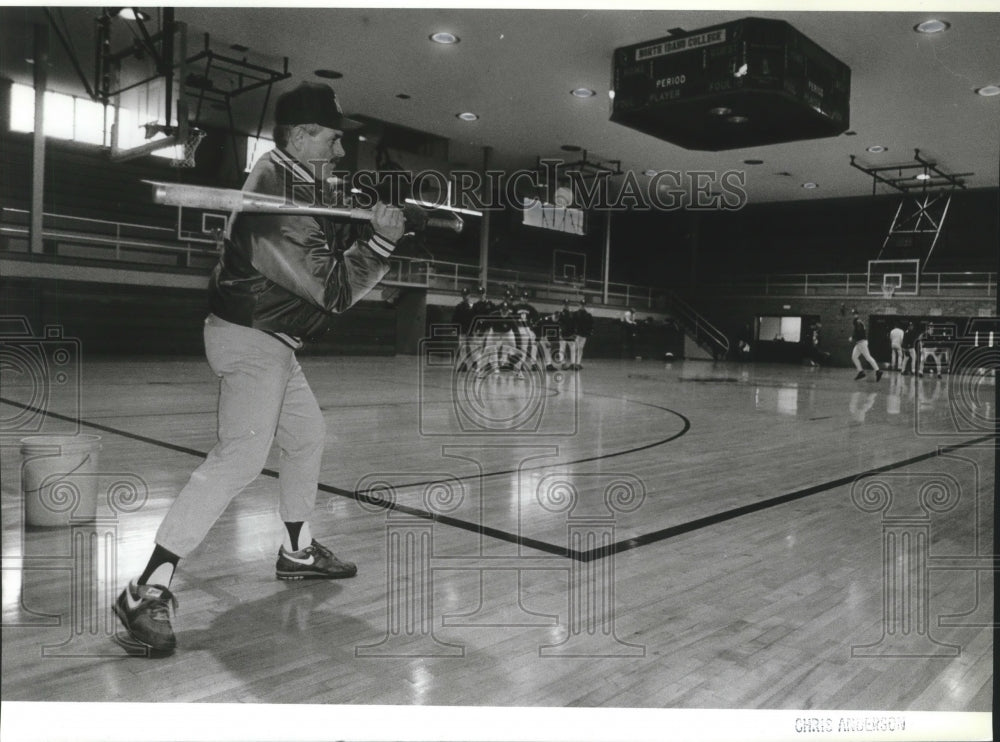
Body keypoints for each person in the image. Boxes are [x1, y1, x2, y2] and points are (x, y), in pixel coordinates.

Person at [113, 82, 406, 655]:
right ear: (299, 136)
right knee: (241, 458)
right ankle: (146, 588)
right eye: (331, 139)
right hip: (252, 340)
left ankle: (297, 552)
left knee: (307, 436)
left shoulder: (294, 178)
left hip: (271, 340)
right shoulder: (278, 198)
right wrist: (381, 243)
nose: (341, 152)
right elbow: (335, 290)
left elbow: (325, 227)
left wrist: (363, 213)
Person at [850, 310, 883, 381]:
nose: (854, 315)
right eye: (853, 314)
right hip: (860, 343)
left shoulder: (857, 322)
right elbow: (858, 331)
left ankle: (878, 371)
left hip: (861, 343)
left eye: (855, 314)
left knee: (868, 357)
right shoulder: (859, 322)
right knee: (854, 357)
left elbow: (859, 332)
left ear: (857, 315)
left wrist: (852, 337)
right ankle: (861, 372)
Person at [512, 290, 539, 370]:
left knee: (534, 343)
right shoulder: (516, 307)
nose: (525, 299)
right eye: (523, 297)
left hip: (528, 328)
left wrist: (532, 322)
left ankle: (533, 363)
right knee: (524, 346)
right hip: (520, 328)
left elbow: (537, 316)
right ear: (520, 298)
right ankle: (521, 364)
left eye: (526, 298)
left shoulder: (530, 308)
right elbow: (512, 317)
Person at [471, 285, 495, 371]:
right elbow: (473, 318)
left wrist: (490, 328)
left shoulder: (490, 304)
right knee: (479, 347)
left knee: (490, 347)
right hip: (479, 329)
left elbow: (493, 317)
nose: (481, 295)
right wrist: (474, 330)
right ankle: (479, 365)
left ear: (485, 293)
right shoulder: (475, 305)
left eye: (482, 293)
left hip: (488, 328)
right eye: (479, 293)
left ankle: (490, 364)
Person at [452, 287, 475, 371]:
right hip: (462, 331)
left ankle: (475, 364)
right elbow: (455, 320)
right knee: (462, 348)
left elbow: (475, 319)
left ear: (469, 295)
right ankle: (464, 364)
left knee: (473, 348)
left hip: (471, 331)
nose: (465, 296)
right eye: (463, 295)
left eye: (466, 295)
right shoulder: (459, 307)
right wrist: (455, 329)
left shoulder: (473, 307)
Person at [572, 298, 593, 370]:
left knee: (580, 348)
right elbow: (572, 324)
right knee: (575, 348)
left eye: (583, 305)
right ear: (579, 305)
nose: (582, 306)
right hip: (577, 334)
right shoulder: (575, 314)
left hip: (584, 335)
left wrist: (589, 333)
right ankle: (573, 363)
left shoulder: (588, 315)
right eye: (581, 305)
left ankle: (578, 363)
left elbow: (590, 325)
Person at [557, 300, 576, 369]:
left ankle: (573, 363)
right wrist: (559, 333)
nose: (566, 305)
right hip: (563, 334)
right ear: (563, 305)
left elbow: (573, 324)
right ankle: (563, 364)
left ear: (569, 305)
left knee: (573, 348)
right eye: (565, 304)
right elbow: (558, 324)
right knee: (562, 349)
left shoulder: (571, 313)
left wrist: (574, 333)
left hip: (570, 334)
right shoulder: (560, 313)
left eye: (567, 304)